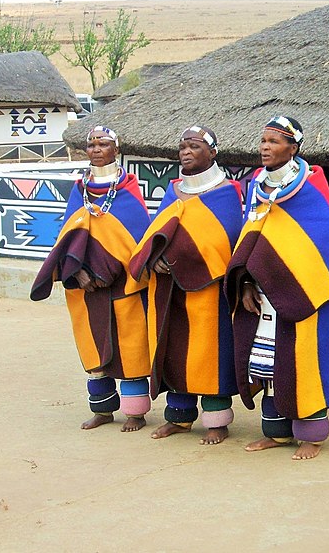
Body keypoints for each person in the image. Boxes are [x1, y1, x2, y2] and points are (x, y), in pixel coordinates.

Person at [224, 115, 329, 460]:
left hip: (301, 290)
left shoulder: (311, 187)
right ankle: (276, 434)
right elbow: (249, 238)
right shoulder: (256, 186)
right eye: (263, 140)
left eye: (274, 141)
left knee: (301, 361)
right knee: (267, 364)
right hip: (263, 293)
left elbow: (320, 244)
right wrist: (246, 282)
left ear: (293, 148)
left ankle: (312, 435)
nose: (265, 147)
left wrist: (290, 281)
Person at [31, 126, 152, 432]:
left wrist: (115, 271)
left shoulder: (128, 190)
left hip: (124, 283)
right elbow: (69, 238)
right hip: (85, 286)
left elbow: (137, 239)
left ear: (117, 148)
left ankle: (135, 412)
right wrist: (80, 273)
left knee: (131, 343)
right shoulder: (79, 190)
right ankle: (102, 410)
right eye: (92, 144)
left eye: (104, 143)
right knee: (93, 343)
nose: (97, 149)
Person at [130, 124, 243, 445]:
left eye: (194, 146)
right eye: (182, 146)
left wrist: (189, 261)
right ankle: (179, 418)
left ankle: (216, 420)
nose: (185, 151)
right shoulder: (173, 190)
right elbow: (154, 234)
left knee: (211, 353)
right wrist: (155, 259)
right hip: (170, 290)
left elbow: (227, 240)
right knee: (174, 350)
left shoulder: (227, 192)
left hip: (209, 290)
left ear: (213, 153)